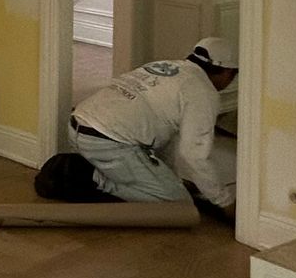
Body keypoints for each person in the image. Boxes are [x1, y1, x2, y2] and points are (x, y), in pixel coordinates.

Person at [66, 36, 239, 211]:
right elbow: (194, 155)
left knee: (170, 187)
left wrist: (170, 179)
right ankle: (93, 178)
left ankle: (95, 167)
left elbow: (167, 140)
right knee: (178, 203)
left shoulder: (165, 66)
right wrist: (223, 201)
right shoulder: (202, 92)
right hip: (109, 143)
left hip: (78, 124)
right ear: (227, 71)